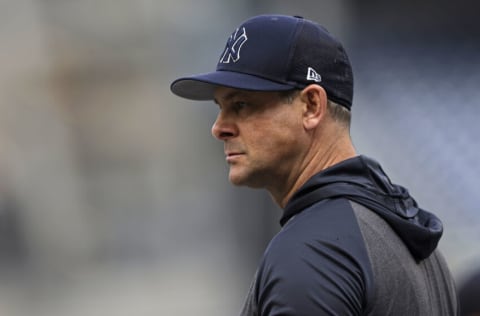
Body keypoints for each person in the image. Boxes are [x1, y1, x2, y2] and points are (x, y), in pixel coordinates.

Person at [170, 14, 458, 315]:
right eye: (220, 107)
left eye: (241, 104)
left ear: (311, 106)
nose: (219, 127)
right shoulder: (414, 242)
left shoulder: (313, 250)